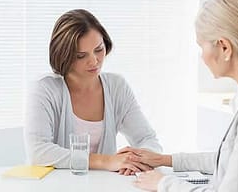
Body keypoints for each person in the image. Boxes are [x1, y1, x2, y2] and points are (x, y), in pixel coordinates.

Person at [119, 0, 238, 191]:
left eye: (201, 46)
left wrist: (163, 183)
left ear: (224, 47)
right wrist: (165, 160)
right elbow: (231, 159)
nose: (202, 57)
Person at [24, 9, 162, 176]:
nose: (94, 61)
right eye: (81, 56)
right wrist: (106, 161)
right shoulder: (44, 88)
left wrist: (135, 160)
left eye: (99, 49)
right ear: (63, 56)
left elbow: (147, 139)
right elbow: (38, 152)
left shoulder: (116, 86)